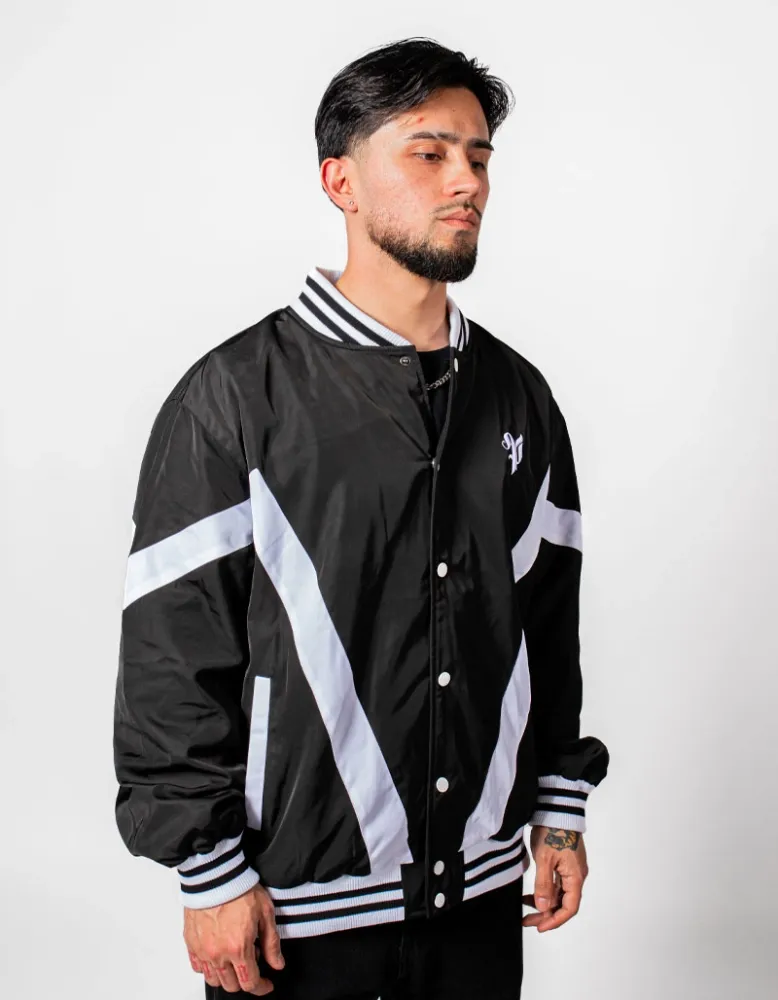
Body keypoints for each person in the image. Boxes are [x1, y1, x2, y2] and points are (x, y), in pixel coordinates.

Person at [113, 36, 610, 999]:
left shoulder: (518, 395)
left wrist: (558, 808)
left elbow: (547, 620)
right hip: (294, 913)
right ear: (340, 180)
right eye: (429, 153)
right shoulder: (236, 399)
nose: (465, 180)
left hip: (481, 896)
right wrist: (208, 872)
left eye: (478, 156)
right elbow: (172, 655)